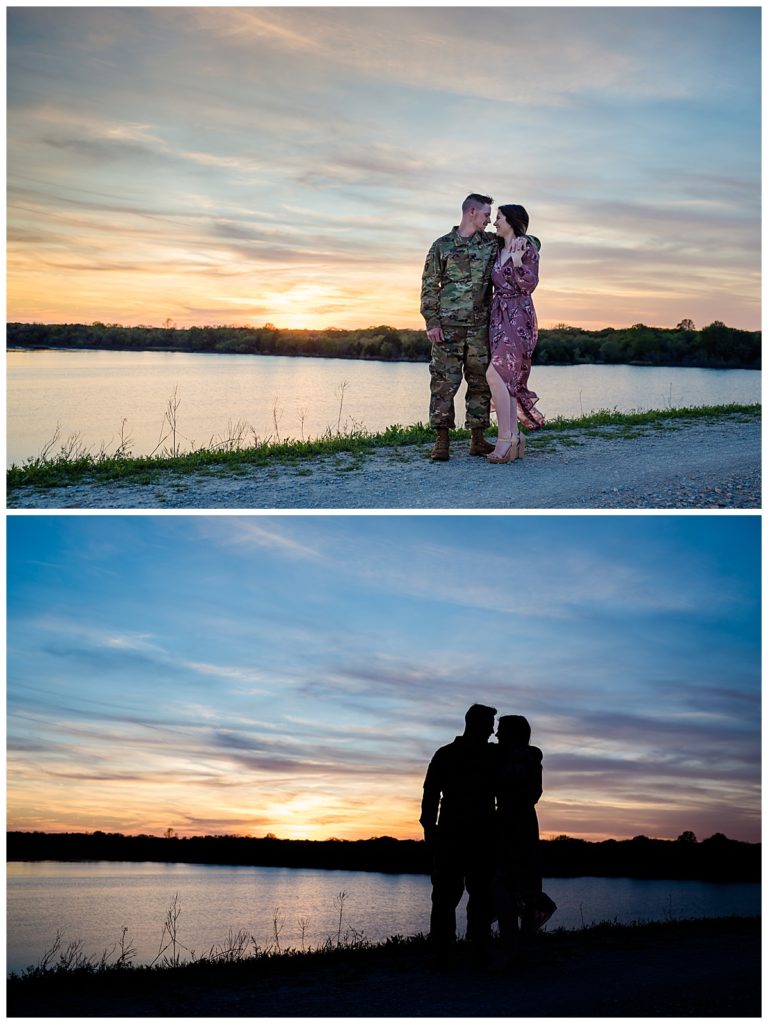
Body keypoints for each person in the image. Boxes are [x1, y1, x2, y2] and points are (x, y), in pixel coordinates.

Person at [420, 194, 498, 462]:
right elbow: (430, 284)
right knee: (443, 383)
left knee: (480, 383)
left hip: (480, 328)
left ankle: (477, 439)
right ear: (472, 212)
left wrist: (525, 238)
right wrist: (431, 321)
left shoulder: (490, 244)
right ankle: (442, 442)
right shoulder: (441, 246)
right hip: (447, 328)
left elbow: (527, 241)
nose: (490, 220)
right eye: (487, 215)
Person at [420, 703, 498, 960]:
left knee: (479, 893)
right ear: (475, 724)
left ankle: (474, 944)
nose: (492, 731)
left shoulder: (490, 754)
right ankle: (445, 947)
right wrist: (429, 828)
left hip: (481, 835)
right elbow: (430, 794)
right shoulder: (447, 754)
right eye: (489, 725)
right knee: (446, 894)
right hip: (453, 834)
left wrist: (430, 828)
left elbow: (430, 794)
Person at [493, 714, 555, 966]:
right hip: (511, 823)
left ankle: (514, 950)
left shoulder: (525, 758)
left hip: (517, 824)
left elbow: (528, 793)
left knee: (510, 886)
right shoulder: (512, 757)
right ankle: (517, 947)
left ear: (514, 734)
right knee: (509, 886)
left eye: (501, 731)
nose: (496, 736)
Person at [486, 204, 545, 464]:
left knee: (494, 373)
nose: (494, 222)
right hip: (498, 316)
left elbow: (529, 284)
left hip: (518, 316)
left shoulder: (526, 247)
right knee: (505, 378)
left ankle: (505, 438)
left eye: (498, 218)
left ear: (512, 221)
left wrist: (519, 261)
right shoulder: (498, 248)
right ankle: (515, 438)